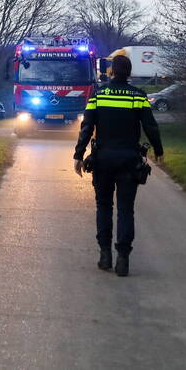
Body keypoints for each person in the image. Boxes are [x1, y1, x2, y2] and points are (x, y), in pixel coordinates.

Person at [73, 54, 163, 277]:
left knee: (103, 206)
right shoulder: (138, 96)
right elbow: (150, 126)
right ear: (129, 74)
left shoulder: (99, 95)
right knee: (125, 210)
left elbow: (87, 126)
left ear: (112, 72)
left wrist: (78, 154)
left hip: (103, 160)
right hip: (129, 160)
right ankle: (123, 258)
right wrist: (158, 150)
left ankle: (105, 255)